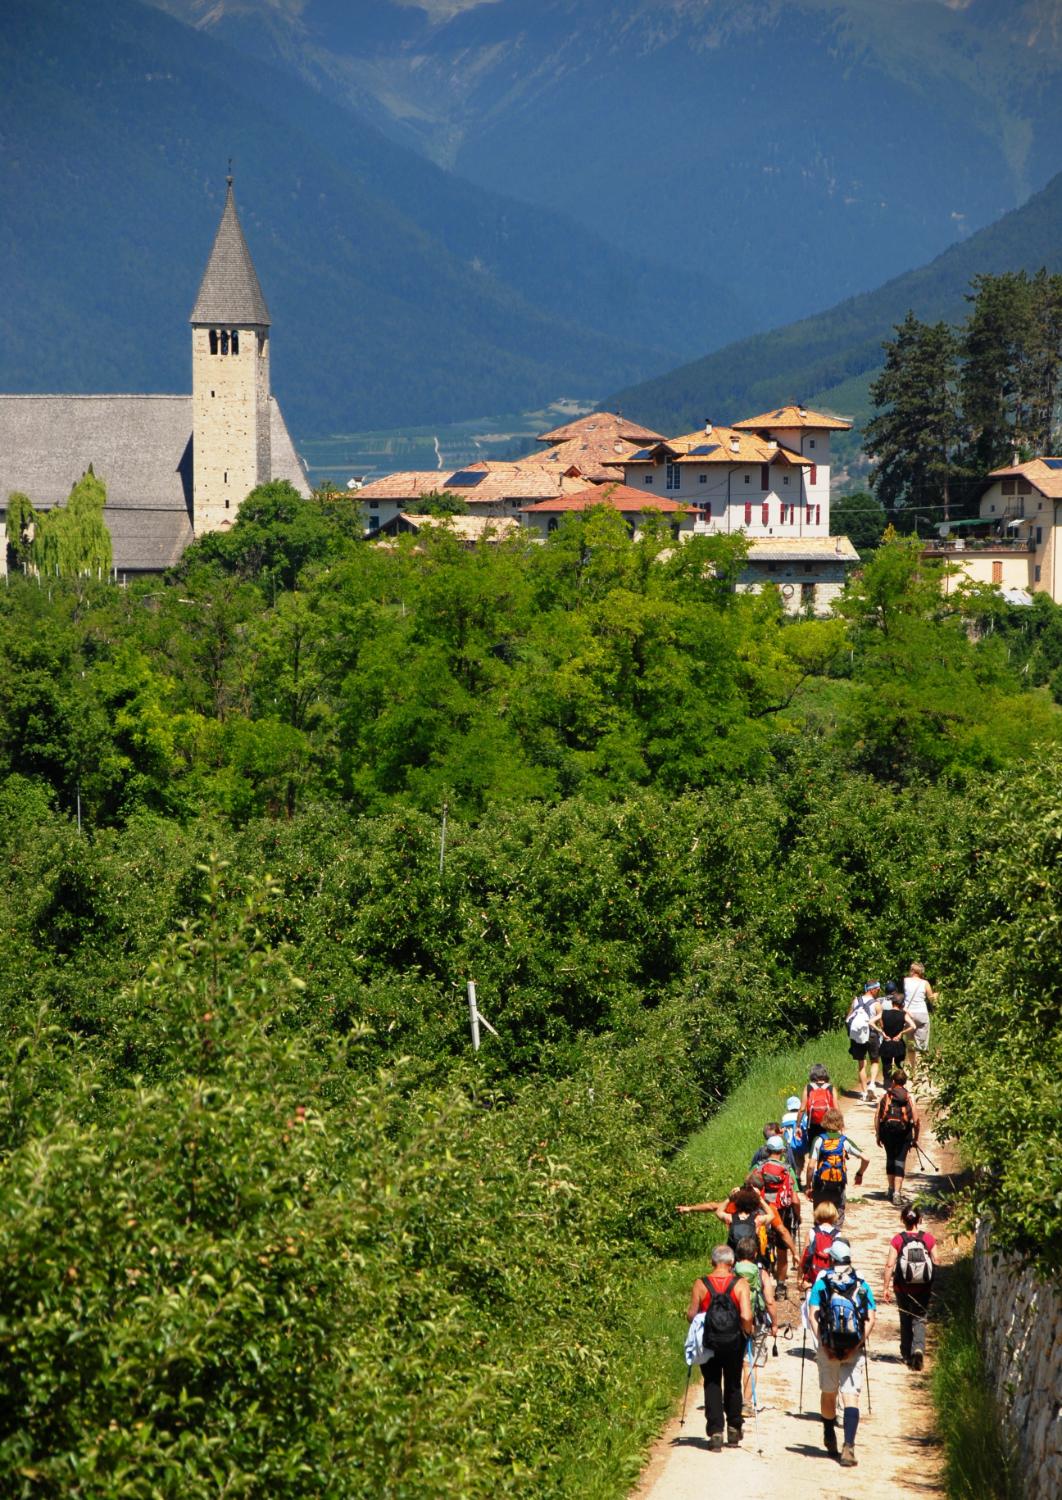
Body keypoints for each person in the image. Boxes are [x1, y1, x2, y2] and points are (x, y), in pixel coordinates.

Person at [807, 1240, 877, 1466]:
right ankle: (849, 1446)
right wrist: (855, 1346)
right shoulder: (862, 1284)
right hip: (852, 1349)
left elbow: (812, 1315)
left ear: (831, 1259)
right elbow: (871, 1318)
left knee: (829, 1393)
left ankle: (829, 1432)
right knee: (851, 1396)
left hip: (828, 1348)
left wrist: (824, 1345)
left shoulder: (822, 1284)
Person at [686, 1245, 754, 1450]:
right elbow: (746, 1316)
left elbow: (692, 1314)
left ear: (712, 1262)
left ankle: (715, 1431)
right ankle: (734, 1428)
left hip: (709, 1341)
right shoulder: (740, 1283)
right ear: (732, 1263)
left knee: (712, 1382)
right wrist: (747, 1331)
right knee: (733, 1381)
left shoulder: (701, 1283)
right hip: (734, 1341)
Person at [882, 1204, 937, 1370]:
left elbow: (890, 1265)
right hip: (923, 1288)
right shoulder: (928, 1239)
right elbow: (936, 1261)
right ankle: (918, 1349)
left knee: (905, 1319)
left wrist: (885, 1288)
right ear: (919, 1220)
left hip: (902, 1288)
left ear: (902, 1220)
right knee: (919, 1318)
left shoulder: (898, 1240)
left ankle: (906, 1354)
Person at [750, 1135, 801, 1294]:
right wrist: (798, 1216)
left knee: (758, 1245)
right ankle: (780, 1286)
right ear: (782, 1151)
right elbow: (795, 1198)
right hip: (782, 1212)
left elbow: (748, 1189)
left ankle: (759, 1280)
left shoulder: (757, 1168)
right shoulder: (787, 1169)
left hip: (762, 1212)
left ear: (767, 1150)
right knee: (782, 1248)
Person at [804, 1108, 869, 1229]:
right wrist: (859, 1174)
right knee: (837, 1217)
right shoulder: (845, 1141)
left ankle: (820, 1242)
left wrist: (808, 1186)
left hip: (820, 1185)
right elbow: (866, 1158)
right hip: (838, 1185)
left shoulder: (819, 1140)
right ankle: (834, 1240)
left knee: (820, 1218)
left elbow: (811, 1166)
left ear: (824, 1122)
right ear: (841, 1123)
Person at [875, 1068, 921, 1202]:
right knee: (900, 1161)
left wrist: (878, 1135)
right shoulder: (909, 1097)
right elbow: (916, 1120)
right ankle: (897, 1193)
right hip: (904, 1134)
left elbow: (878, 1116)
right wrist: (915, 1138)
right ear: (905, 1082)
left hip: (887, 1133)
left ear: (893, 1081)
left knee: (890, 1158)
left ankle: (890, 1189)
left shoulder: (886, 1095)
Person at [845, 980, 883, 1100]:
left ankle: (865, 1092)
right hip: (872, 1034)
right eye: (877, 989)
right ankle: (872, 1084)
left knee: (861, 1063)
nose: (878, 991)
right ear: (872, 989)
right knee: (875, 1061)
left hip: (858, 1035)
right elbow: (881, 1022)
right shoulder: (876, 1004)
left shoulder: (856, 1001)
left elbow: (848, 1018)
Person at [873, 983, 916, 1080]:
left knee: (886, 1063)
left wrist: (881, 1031)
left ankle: (887, 1083)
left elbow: (872, 1020)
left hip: (886, 1035)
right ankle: (899, 1081)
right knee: (899, 1064)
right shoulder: (902, 1010)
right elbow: (912, 1020)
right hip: (897, 1038)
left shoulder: (880, 1001)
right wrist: (902, 1032)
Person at [903, 962, 938, 1069]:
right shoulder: (925, 983)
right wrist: (936, 995)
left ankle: (913, 1069)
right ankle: (922, 1069)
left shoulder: (905, 981)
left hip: (909, 1014)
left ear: (913, 971)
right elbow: (932, 1000)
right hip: (922, 1013)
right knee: (922, 1046)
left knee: (910, 1045)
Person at [800, 1201, 842, 1288]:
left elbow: (805, 1253)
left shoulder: (812, 1232)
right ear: (834, 1215)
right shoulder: (838, 1234)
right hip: (830, 1273)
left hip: (814, 1271)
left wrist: (800, 1275)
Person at [799, 1065, 837, 1149]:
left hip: (813, 1123)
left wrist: (798, 1125)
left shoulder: (808, 1087)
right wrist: (840, 1125)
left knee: (814, 1148)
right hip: (828, 1123)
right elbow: (836, 1109)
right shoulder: (831, 1088)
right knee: (828, 1147)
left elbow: (802, 1109)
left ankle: (814, 1160)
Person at [781, 1094, 808, 1175]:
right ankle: (798, 1175)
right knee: (801, 1160)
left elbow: (783, 1130)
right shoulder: (804, 1116)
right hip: (801, 1143)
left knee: (792, 1162)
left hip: (790, 1144)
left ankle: (794, 1177)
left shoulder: (785, 1117)